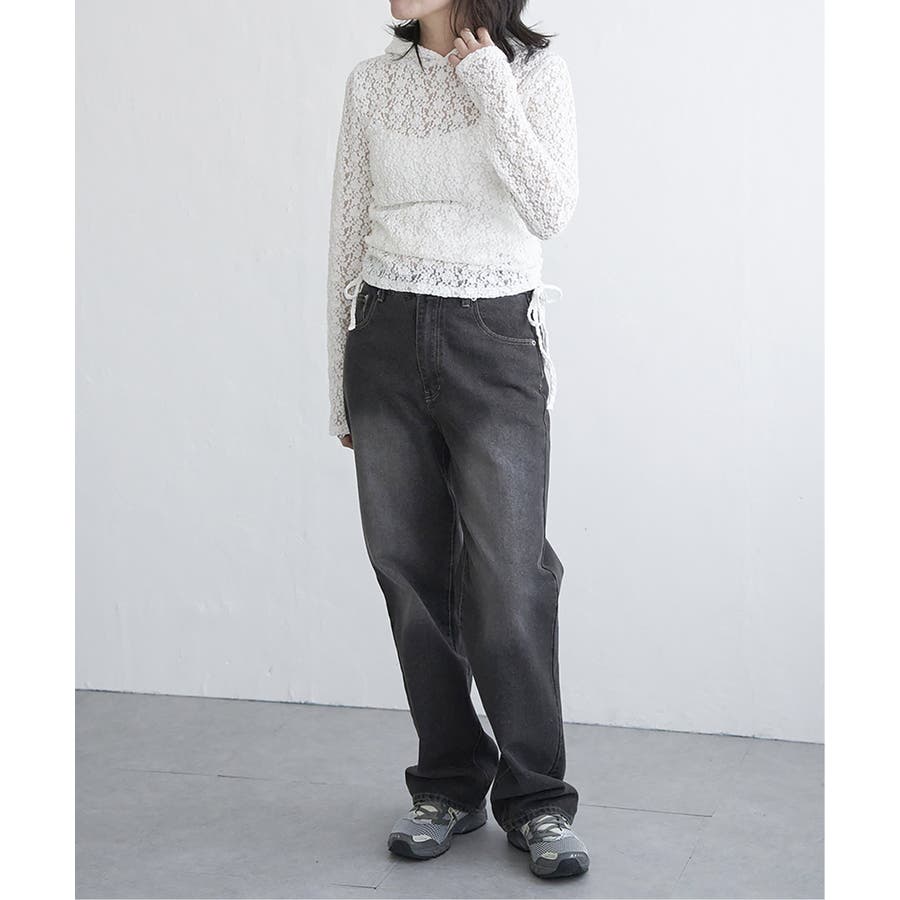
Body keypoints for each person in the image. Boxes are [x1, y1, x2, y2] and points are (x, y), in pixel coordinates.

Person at [325, 0, 588, 879]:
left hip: (493, 340)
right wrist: (340, 383)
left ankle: (538, 798)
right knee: (408, 574)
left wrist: (489, 88)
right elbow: (347, 234)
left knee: (511, 576)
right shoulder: (372, 84)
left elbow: (551, 209)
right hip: (385, 336)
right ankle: (447, 781)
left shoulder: (536, 75)